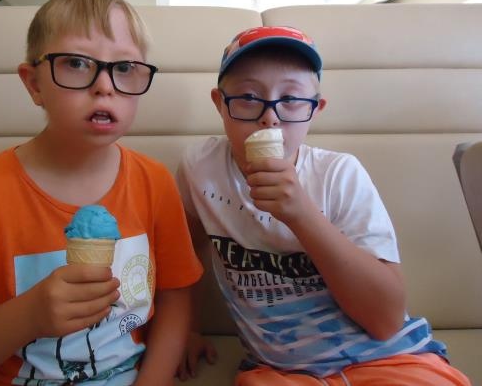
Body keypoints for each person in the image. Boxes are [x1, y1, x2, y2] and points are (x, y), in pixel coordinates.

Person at [0, 0, 203, 386]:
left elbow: (174, 295)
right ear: (34, 84)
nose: (105, 85)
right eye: (77, 63)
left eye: (124, 68)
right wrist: (29, 315)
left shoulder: (154, 183)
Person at [176, 26, 471, 385]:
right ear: (220, 103)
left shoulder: (339, 174)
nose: (270, 117)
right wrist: (186, 330)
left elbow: (386, 320)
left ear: (315, 109)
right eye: (249, 97)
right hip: (278, 371)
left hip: (388, 358)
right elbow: (186, 252)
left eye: (291, 98)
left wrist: (302, 214)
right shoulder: (200, 169)